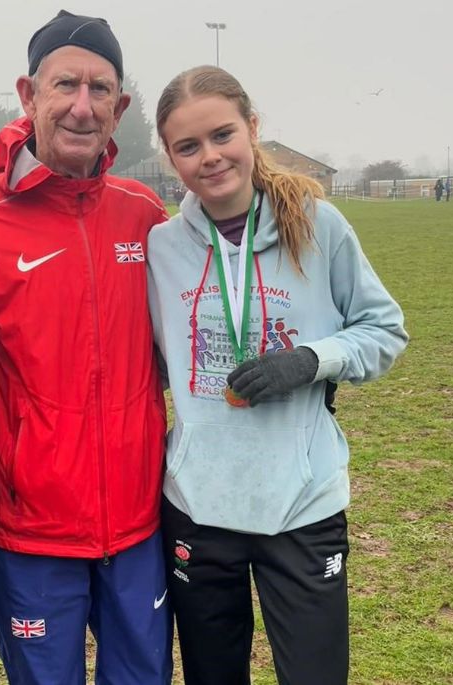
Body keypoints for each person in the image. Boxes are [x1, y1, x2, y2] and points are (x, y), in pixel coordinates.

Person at [147, 66, 408, 685]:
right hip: (199, 507)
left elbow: (385, 330)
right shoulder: (161, 247)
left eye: (221, 135)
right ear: (170, 158)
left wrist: (311, 360)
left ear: (252, 128)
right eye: (188, 146)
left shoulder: (318, 226)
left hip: (303, 505)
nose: (209, 157)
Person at [0, 10, 172, 685]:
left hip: (137, 525)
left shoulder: (145, 216)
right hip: (29, 536)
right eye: (64, 84)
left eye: (101, 89)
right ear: (27, 94)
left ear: (120, 106)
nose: (82, 105)